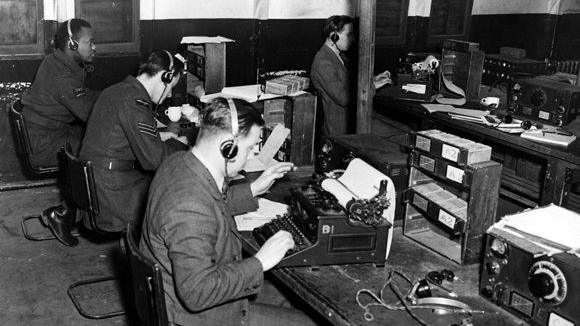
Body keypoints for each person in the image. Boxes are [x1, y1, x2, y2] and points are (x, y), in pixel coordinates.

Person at [141, 98, 318, 326]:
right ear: (228, 147)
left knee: (292, 299)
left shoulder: (179, 162)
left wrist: (254, 188)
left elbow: (210, 205)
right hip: (197, 315)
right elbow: (197, 293)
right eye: (250, 148)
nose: (252, 156)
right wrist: (260, 262)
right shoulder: (189, 205)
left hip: (178, 295)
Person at [75, 50, 189, 239]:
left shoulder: (118, 90)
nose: (168, 96)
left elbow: (120, 136)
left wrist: (160, 137)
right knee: (175, 196)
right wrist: (182, 146)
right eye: (170, 88)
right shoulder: (135, 102)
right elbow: (154, 160)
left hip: (96, 183)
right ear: (164, 77)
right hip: (112, 194)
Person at [20, 18, 99, 246]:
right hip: (44, 144)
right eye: (90, 42)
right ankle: (62, 214)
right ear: (73, 44)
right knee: (96, 151)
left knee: (87, 141)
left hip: (45, 134)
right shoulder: (63, 75)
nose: (94, 47)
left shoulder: (56, 61)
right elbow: (88, 112)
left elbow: (84, 97)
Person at [310, 15, 391, 136]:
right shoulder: (323, 61)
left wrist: (372, 79)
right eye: (349, 34)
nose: (353, 39)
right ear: (334, 35)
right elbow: (344, 98)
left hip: (351, 118)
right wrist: (372, 86)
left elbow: (346, 82)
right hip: (340, 127)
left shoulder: (336, 55)